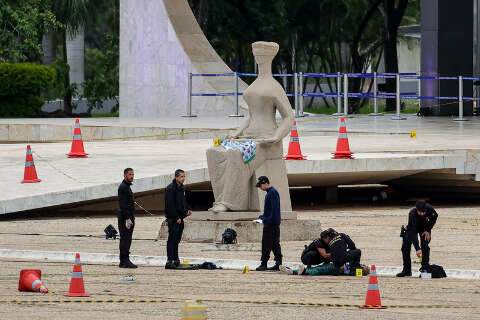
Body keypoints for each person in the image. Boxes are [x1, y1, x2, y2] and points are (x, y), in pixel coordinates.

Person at [397, 200, 438, 277]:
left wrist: (428, 229)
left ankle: (425, 269)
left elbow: (435, 217)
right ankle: (407, 270)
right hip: (412, 228)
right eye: (420, 212)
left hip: (424, 229)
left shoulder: (429, 208)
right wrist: (417, 248)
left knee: (425, 246)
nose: (422, 214)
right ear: (416, 210)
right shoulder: (412, 213)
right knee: (405, 247)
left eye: (424, 212)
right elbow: (413, 232)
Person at [165, 169, 192, 269]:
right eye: (181, 176)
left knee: (177, 239)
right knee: (172, 239)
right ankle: (170, 260)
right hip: (174, 219)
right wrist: (176, 217)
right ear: (176, 177)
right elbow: (170, 205)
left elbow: (183, 201)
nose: (183, 178)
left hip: (181, 218)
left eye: (184, 176)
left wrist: (188, 209)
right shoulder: (170, 189)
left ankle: (176, 259)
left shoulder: (181, 188)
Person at [255, 176, 283, 271]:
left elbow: (274, 211)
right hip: (272, 223)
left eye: (260, 186)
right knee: (275, 244)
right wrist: (263, 217)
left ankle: (264, 264)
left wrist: (266, 220)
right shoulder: (271, 193)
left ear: (265, 183)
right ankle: (278, 263)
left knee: (266, 244)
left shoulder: (272, 193)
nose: (260, 188)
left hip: (271, 224)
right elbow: (270, 211)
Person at [117, 168, 137, 268]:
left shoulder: (127, 187)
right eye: (130, 174)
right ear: (125, 175)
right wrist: (127, 218)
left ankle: (125, 259)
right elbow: (123, 205)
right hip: (125, 218)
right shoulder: (123, 187)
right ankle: (124, 260)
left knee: (127, 239)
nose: (132, 176)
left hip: (128, 217)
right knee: (125, 239)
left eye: (133, 174)